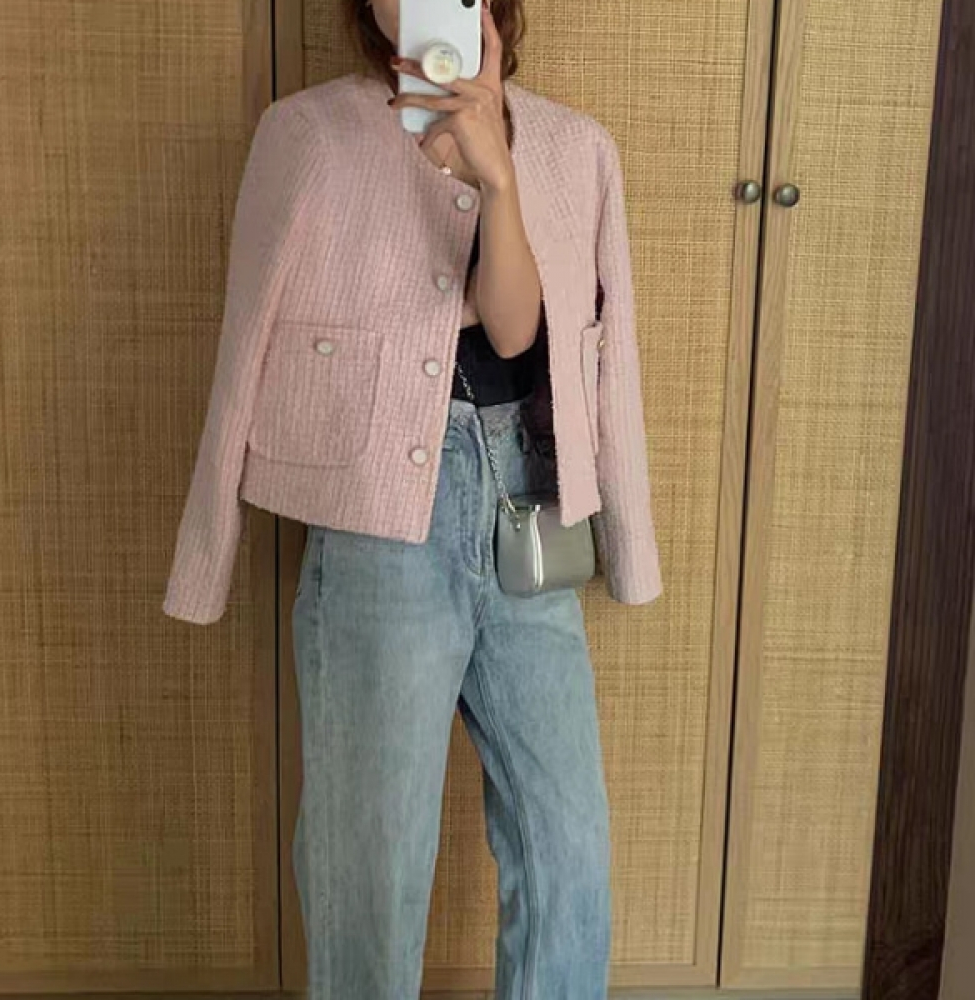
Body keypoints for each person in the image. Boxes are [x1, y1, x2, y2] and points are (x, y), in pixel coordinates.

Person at [162, 0, 662, 995]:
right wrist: (206, 551)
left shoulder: (574, 148)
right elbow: (243, 340)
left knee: (568, 852)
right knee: (371, 866)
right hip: (379, 531)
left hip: (528, 514)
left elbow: (527, 338)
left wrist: (497, 174)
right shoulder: (307, 134)